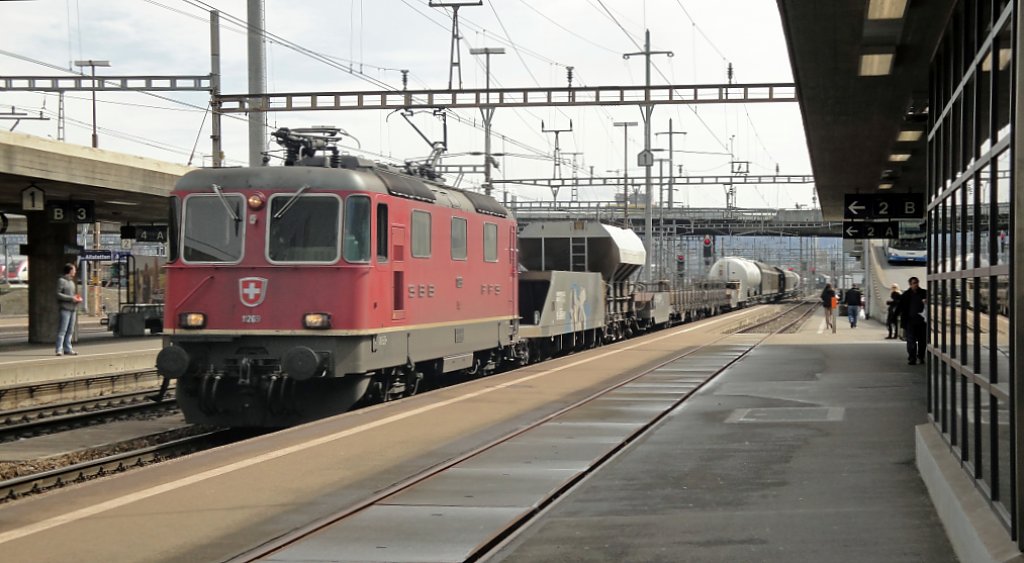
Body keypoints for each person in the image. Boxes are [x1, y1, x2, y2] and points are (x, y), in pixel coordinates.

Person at [55, 262, 83, 356]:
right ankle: (59, 349)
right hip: (65, 308)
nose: (75, 271)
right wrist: (71, 298)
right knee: (62, 330)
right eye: (74, 269)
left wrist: (77, 298)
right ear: (70, 270)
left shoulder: (72, 282)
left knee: (70, 330)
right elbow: (58, 294)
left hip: (73, 309)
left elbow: (72, 295)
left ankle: (68, 348)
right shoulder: (61, 281)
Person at [900, 276, 928, 365]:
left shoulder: (924, 293)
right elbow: (902, 308)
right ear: (910, 284)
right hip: (910, 322)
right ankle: (912, 357)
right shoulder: (906, 295)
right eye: (914, 283)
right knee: (911, 341)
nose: (915, 285)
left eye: (916, 283)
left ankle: (921, 356)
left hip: (922, 321)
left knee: (922, 341)